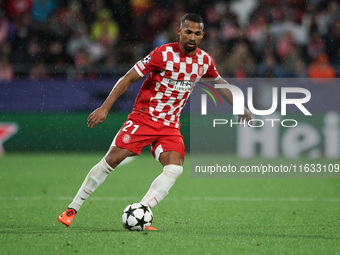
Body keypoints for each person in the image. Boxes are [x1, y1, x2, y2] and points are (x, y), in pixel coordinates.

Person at [58, 13, 252, 230]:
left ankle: (142, 210)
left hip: (169, 125)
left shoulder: (204, 61)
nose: (192, 37)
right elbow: (128, 77)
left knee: (174, 168)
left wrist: (239, 106)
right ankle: (72, 208)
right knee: (112, 160)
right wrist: (105, 107)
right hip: (144, 118)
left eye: (197, 33)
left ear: (202, 36)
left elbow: (219, 83)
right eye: (188, 31)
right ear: (179, 31)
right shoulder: (162, 54)